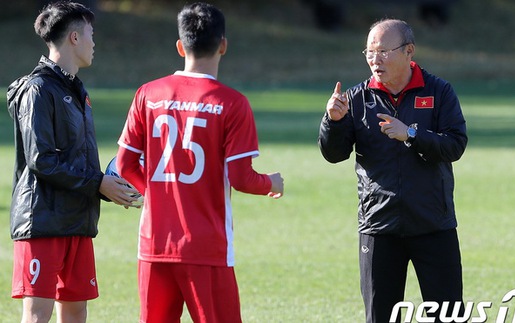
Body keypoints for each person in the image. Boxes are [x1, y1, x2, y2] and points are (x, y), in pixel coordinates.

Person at [115, 2, 284, 322]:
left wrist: (155, 196)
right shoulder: (231, 103)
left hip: (154, 244)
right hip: (206, 247)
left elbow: (124, 165)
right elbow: (242, 178)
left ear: (180, 46)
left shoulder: (147, 93)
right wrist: (271, 183)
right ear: (223, 45)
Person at [318, 19, 467, 323]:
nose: (375, 59)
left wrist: (411, 135)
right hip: (379, 227)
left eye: (384, 51)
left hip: (433, 224)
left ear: (409, 51)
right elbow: (334, 155)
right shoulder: (356, 98)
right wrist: (332, 122)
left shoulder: (439, 91)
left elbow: (455, 145)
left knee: (448, 317)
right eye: (370, 52)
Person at [6, 1, 139, 322]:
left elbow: (74, 159)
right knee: (38, 314)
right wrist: (98, 183)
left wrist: (108, 187)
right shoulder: (38, 90)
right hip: (42, 222)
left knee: (77, 311)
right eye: (91, 34)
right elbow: (42, 160)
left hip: (77, 220)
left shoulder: (78, 90)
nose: (95, 42)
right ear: (75, 38)